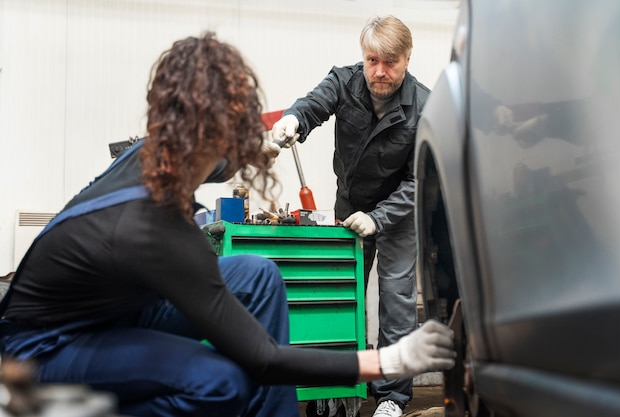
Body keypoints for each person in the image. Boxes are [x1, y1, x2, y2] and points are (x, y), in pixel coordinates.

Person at [0, 32, 456, 417]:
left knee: (258, 274)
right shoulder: (154, 228)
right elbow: (264, 358)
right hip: (43, 354)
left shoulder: (159, 151)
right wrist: (384, 361)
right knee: (222, 380)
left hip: (111, 307)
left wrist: (269, 138)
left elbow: (220, 165)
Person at [271, 15, 429, 417]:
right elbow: (313, 104)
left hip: (398, 211)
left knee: (395, 300)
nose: (379, 71)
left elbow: (421, 180)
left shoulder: (425, 107)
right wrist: (293, 119)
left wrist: (380, 217)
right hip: (350, 205)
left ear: (407, 59)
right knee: (343, 294)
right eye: (372, 60)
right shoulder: (344, 82)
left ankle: (392, 397)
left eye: (390, 62)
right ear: (364, 57)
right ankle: (338, 385)